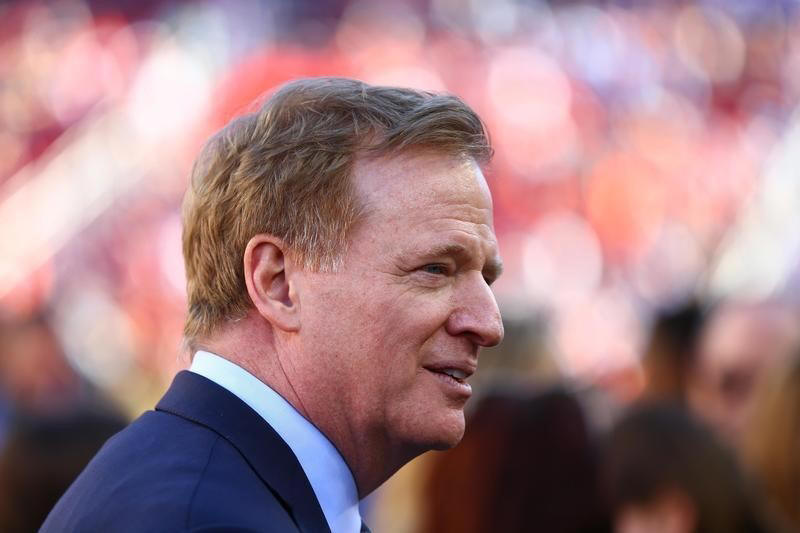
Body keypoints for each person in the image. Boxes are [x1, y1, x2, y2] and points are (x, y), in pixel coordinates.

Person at [41, 77, 504, 533]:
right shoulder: (205, 521)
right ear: (277, 283)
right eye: (436, 269)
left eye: (486, 278)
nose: (488, 324)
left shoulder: (207, 489)